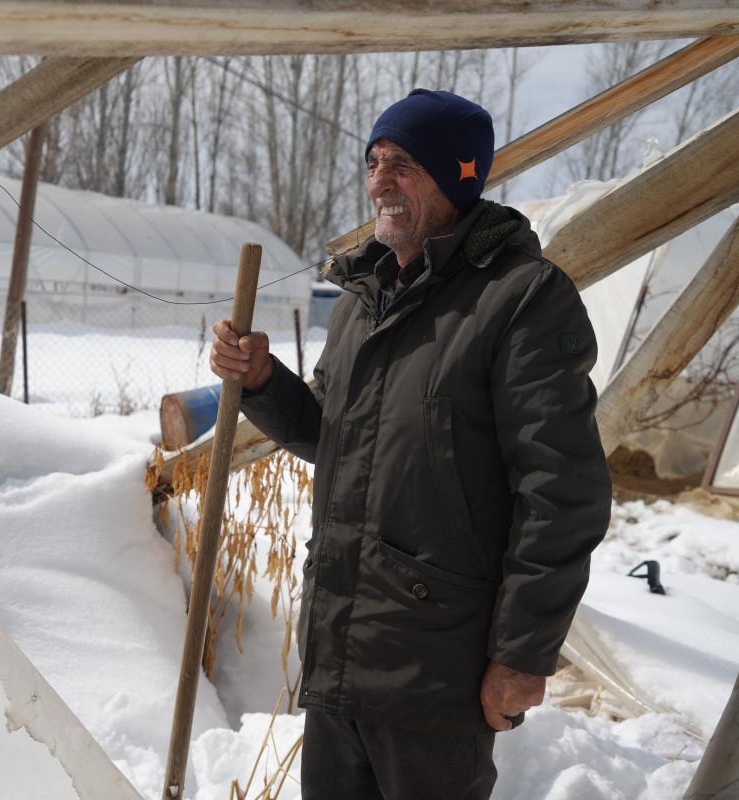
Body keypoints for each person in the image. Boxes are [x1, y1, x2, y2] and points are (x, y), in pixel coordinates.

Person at [209, 89, 612, 799]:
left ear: (458, 176)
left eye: (403, 164)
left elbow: (562, 491)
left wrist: (522, 654)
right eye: (373, 162)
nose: (380, 182)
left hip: (437, 668)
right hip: (339, 646)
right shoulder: (364, 300)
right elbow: (332, 435)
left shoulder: (520, 299)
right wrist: (264, 380)